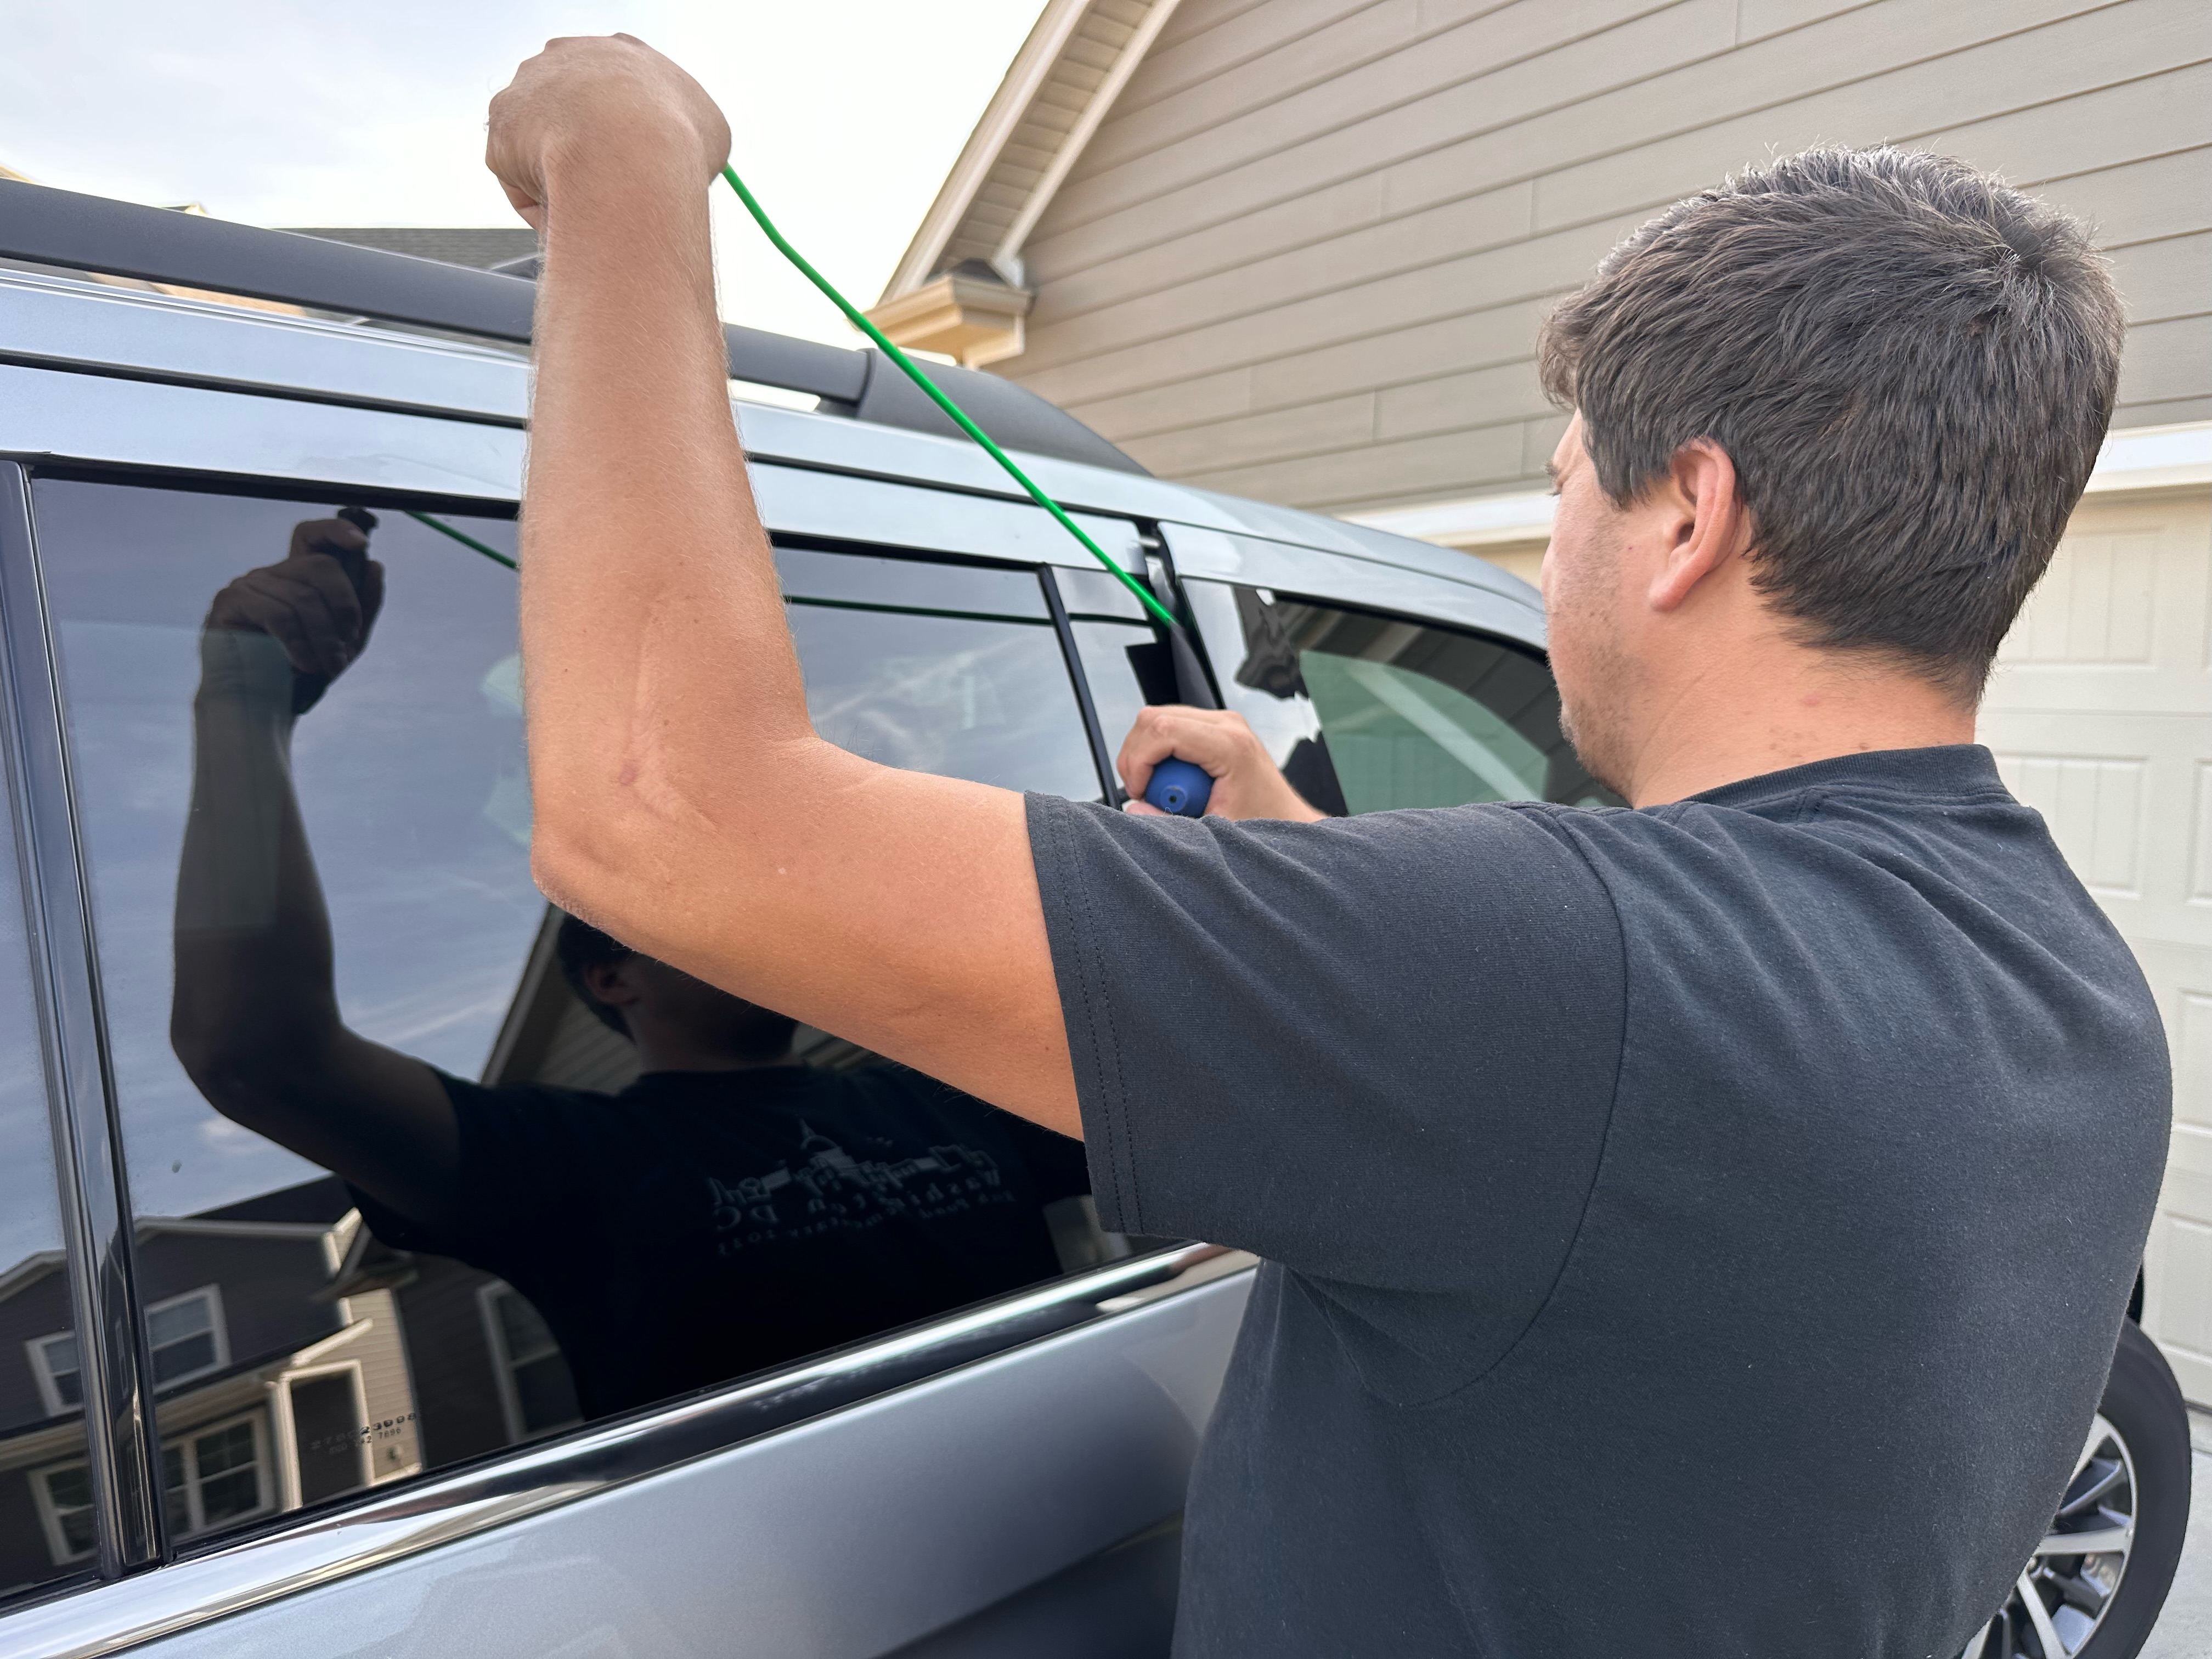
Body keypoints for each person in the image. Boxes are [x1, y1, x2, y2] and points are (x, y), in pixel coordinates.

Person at [482, 37, 2168, 1658]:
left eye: (1573, 482)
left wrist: (618, 151)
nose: (1561, 534)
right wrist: (1298, 870)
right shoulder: (2070, 985)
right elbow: (1633, 1198)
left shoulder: (1564, 991)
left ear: (1689, 519)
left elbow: (659, 810)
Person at [170, 524, 1089, 1419]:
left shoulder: (951, 1097)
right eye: (692, 907)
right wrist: (245, 700)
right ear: (613, 979)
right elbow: (259, 1051)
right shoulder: (564, 1160)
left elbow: (1189, 1070)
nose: (752, 914)